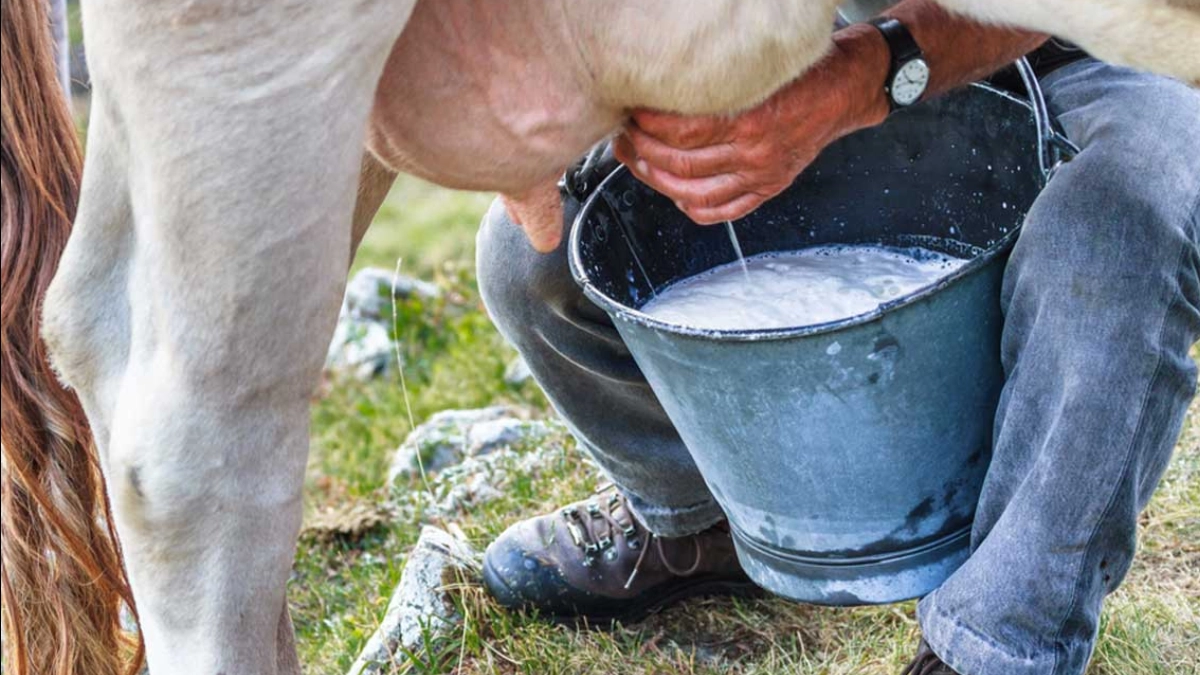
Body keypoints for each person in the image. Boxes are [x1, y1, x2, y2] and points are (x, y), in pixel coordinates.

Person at [473, 1, 1200, 673]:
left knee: (1119, 235)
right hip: (844, 43)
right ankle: (702, 517)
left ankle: (998, 639)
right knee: (538, 253)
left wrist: (864, 75)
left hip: (1117, 53)